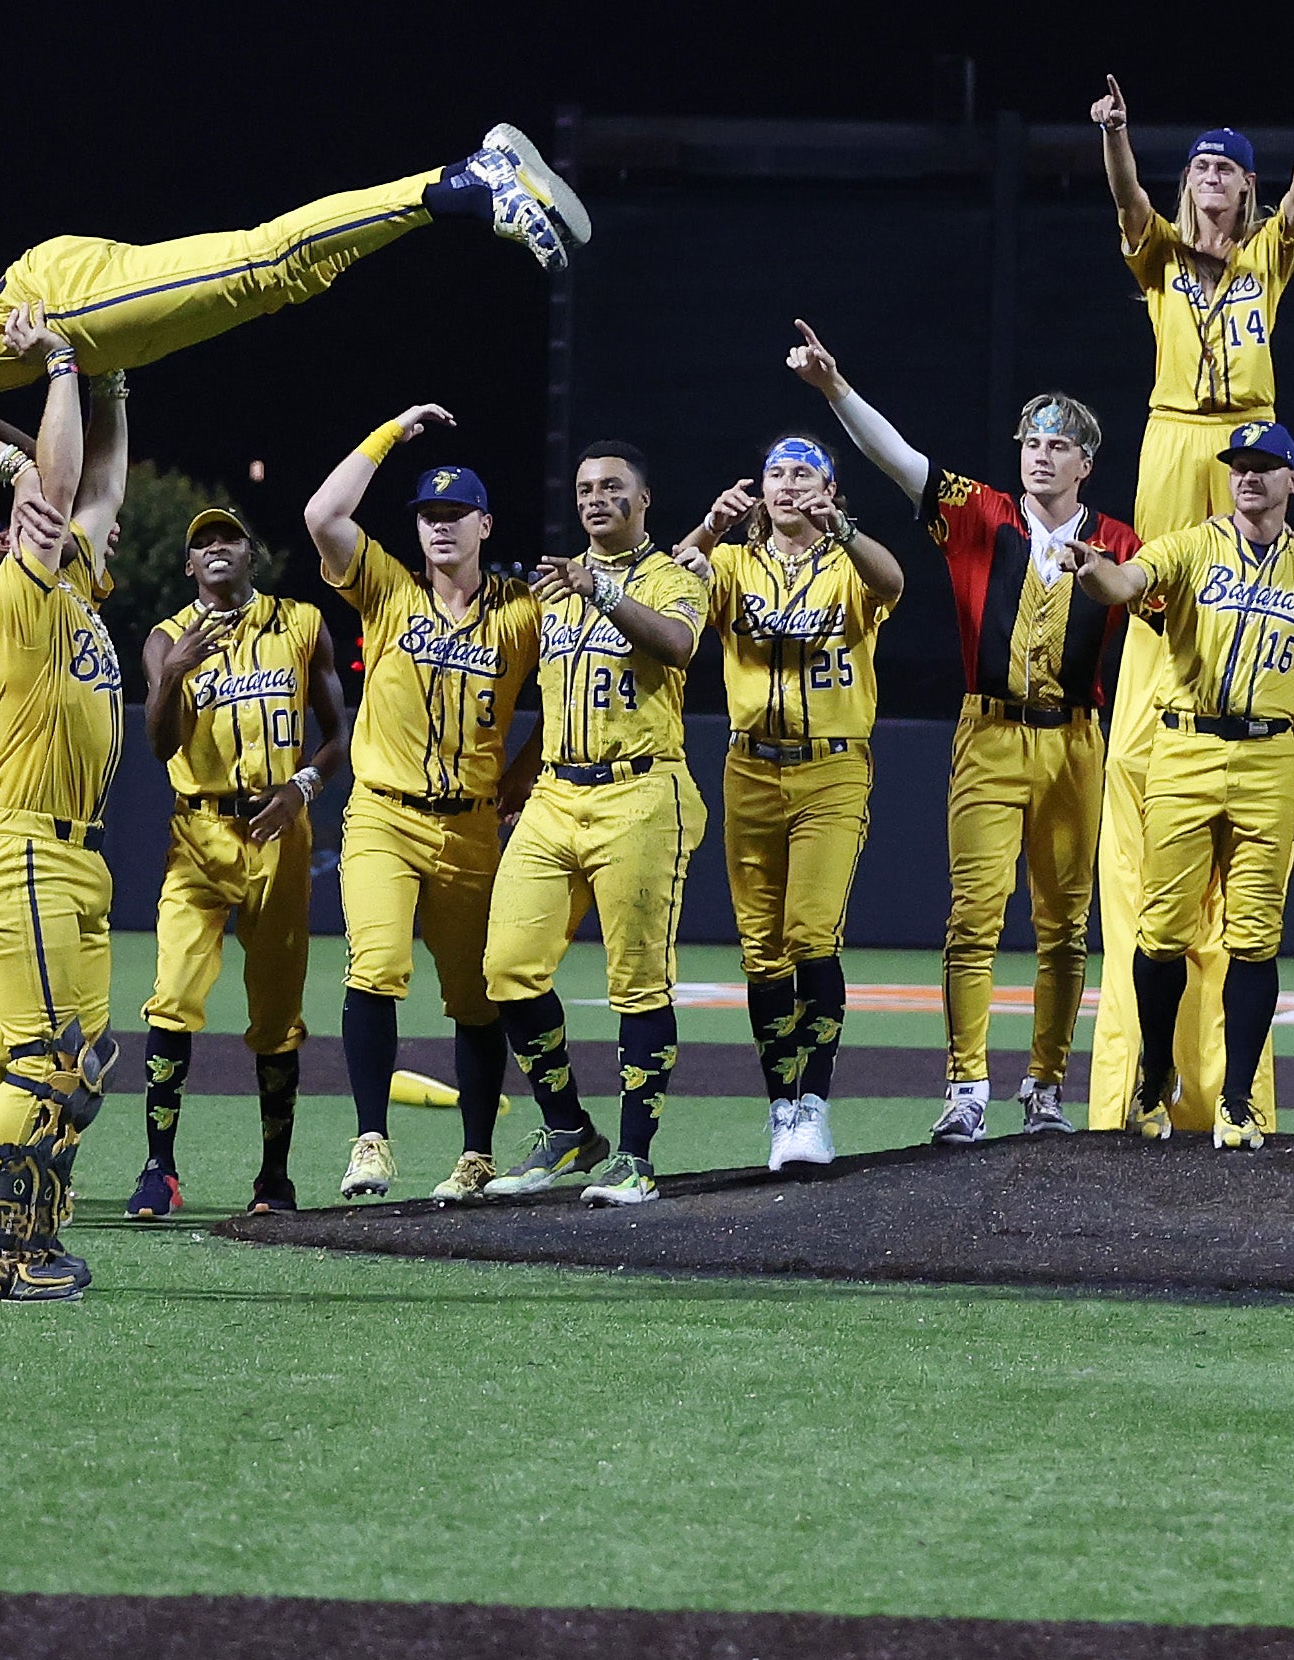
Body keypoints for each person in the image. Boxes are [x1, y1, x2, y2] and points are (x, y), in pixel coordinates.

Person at [0, 124, 589, 461]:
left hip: (58, 305)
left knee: (268, 264)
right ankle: (455, 190)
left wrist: (10, 469)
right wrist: (25, 452)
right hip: (63, 330)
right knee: (275, 287)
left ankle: (463, 181)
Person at [792, 324, 1129, 1142]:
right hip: (990, 733)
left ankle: (1046, 1084)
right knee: (973, 917)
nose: (1040, 456)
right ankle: (967, 1084)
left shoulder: (1119, 540)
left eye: (1058, 445)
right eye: (1031, 442)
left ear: (1086, 461)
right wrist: (836, 389)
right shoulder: (979, 513)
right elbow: (898, 457)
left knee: (1066, 925)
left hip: (1077, 739)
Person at [1084, 72, 1294, 1137]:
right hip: (1175, 425)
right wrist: (1118, 136)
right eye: (1203, 167)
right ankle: (1162, 694)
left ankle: (1229, 1091)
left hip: (1247, 424)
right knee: (1166, 582)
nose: (1215, 181)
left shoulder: (1264, 259)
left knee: (1252, 569)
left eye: (1230, 167)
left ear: (1248, 185)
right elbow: (1127, 206)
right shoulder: (1161, 261)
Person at [1076, 419, 1294, 1149]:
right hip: (1187, 747)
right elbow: (1129, 579)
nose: (1248, 477)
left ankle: (1236, 1101)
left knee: (1255, 939)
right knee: (1163, 931)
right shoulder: (1193, 544)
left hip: (1267, 756)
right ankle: (1150, 1079)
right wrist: (1094, 570)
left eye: (1265, 467)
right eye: (1240, 466)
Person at [0, 306, 134, 1298]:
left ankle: (33, 1234)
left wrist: (114, 380)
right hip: (23, 847)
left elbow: (98, 483)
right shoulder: (18, 595)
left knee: (83, 1069)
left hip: (75, 855)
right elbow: (62, 482)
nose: (55, 516)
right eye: (30, 513)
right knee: (48, 1061)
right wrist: (58, 361)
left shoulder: (74, 596)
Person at [305, 405, 541, 1201]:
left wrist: (529, 764)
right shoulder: (388, 590)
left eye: (453, 514)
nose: (438, 527)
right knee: (374, 966)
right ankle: (370, 1139)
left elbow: (581, 681)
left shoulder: (520, 610)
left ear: (484, 523)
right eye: (427, 515)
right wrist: (388, 434)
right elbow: (322, 513)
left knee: (476, 995)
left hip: (472, 823)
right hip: (382, 810)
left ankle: (476, 1153)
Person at [479, 451, 711, 1203]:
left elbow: (677, 645)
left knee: (638, 983)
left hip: (640, 789)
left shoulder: (677, 576)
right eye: (584, 488)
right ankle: (568, 1129)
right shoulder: (553, 587)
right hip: (554, 793)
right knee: (507, 965)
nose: (597, 497)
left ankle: (636, 1158)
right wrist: (514, 778)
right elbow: (551, 700)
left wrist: (601, 587)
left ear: (645, 497)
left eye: (612, 486)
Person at [689, 435, 906, 1166]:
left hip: (832, 766)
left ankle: (813, 1104)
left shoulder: (847, 560)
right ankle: (781, 1105)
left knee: (812, 934)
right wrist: (710, 527)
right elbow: (668, 589)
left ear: (831, 488)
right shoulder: (732, 563)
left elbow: (894, 581)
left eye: (803, 473)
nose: (786, 485)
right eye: (774, 473)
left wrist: (842, 525)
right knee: (761, 950)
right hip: (748, 766)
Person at [130, 504, 341, 1216]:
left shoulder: (302, 623)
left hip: (279, 830)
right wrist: (171, 678)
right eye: (201, 543)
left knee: (278, 1014)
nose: (215, 548)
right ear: (189, 565)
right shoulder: (166, 638)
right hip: (198, 833)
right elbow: (159, 746)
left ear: (253, 552)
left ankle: (273, 1178)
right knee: (171, 995)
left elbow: (340, 733)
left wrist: (304, 783)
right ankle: (159, 1170)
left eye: (228, 537)